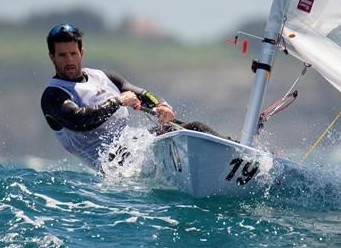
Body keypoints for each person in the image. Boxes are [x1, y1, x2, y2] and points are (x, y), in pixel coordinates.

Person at [41, 23, 221, 171]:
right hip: (115, 164)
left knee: (195, 129)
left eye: (73, 54)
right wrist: (117, 101)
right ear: (52, 57)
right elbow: (79, 121)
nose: (69, 61)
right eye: (62, 55)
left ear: (81, 52)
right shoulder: (53, 95)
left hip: (136, 145)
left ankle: (241, 156)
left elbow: (142, 94)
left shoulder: (104, 77)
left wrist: (162, 105)